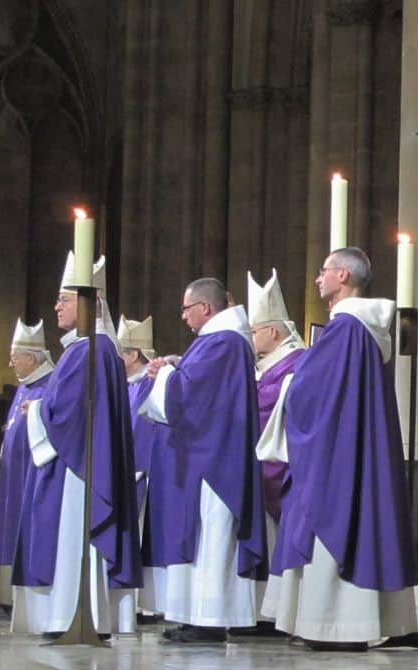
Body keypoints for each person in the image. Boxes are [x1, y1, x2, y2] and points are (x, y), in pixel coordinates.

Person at [257, 247, 418, 651]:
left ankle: (336, 626)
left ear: (343, 276)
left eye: (323, 271)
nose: (317, 279)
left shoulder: (347, 328)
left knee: (329, 515)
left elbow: (312, 387)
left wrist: (289, 386)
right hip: (350, 442)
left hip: (336, 451)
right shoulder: (361, 330)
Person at [12, 254, 142, 637]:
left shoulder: (92, 350)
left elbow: (68, 413)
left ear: (90, 304)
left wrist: (35, 410)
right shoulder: (85, 349)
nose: (56, 307)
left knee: (73, 537)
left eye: (64, 299)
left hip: (79, 468)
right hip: (80, 461)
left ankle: (70, 616)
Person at [139, 278, 267, 643]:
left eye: (185, 308)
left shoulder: (224, 342)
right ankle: (194, 616)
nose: (182, 316)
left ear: (206, 308)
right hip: (207, 455)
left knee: (212, 535)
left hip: (216, 460)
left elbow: (194, 395)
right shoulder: (217, 343)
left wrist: (165, 374)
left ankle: (209, 619)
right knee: (200, 537)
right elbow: (196, 382)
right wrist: (175, 367)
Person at [239, 268, 304, 637]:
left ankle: (277, 615)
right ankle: (265, 612)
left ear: (274, 332)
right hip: (263, 462)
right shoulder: (266, 367)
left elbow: (272, 410)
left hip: (281, 463)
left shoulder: (293, 363)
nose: (250, 338)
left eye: (254, 331)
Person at [0, 320, 55, 611]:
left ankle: (23, 596)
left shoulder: (48, 385)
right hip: (13, 473)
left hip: (32, 472)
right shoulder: (25, 386)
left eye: (15, 358)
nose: (11, 363)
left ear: (31, 358)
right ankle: (5, 594)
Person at [117, 315, 158, 514]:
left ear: (133, 355)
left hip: (141, 473)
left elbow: (141, 431)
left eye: (118, 353)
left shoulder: (149, 383)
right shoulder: (127, 384)